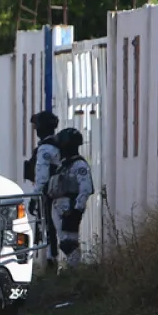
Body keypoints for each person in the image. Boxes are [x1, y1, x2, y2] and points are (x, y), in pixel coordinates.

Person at [46, 127, 94, 270]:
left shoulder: (79, 165)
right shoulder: (64, 164)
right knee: (63, 241)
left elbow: (85, 189)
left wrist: (77, 209)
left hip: (69, 207)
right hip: (58, 206)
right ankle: (70, 269)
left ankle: (74, 270)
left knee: (69, 243)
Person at [23, 110, 61, 267]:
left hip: (50, 195)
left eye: (37, 127)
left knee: (50, 228)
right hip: (59, 194)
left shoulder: (45, 149)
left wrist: (34, 198)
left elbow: (41, 177)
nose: (35, 130)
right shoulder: (58, 145)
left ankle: (52, 262)